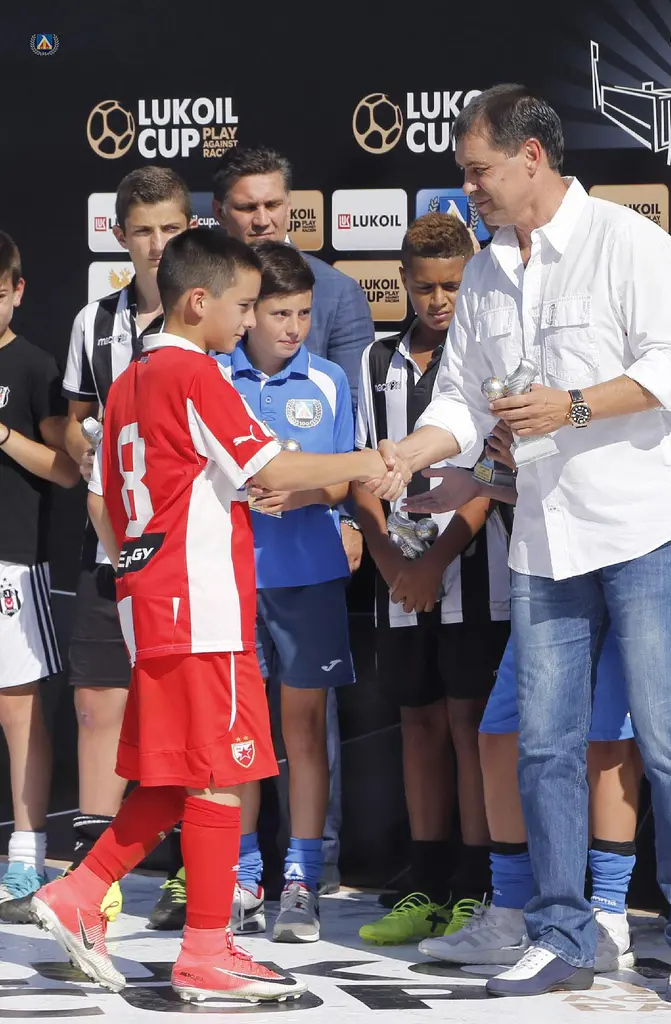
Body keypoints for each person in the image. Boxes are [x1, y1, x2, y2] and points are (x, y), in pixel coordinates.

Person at [364, 84, 671, 1004]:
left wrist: (570, 405)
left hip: (647, 528)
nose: (467, 188)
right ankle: (561, 930)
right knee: (543, 744)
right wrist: (412, 450)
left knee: (668, 734)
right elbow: (461, 399)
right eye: (463, 174)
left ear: (531, 157)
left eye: (478, 170)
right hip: (544, 538)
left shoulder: (628, 242)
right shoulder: (486, 271)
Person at [30, 227, 403, 1003]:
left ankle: (80, 893)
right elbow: (275, 468)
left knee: (184, 776)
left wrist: (143, 565)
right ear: (199, 302)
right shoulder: (197, 375)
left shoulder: (128, 380)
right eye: (243, 305)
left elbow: (106, 501)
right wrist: (371, 459)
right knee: (221, 776)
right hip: (200, 608)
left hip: (152, 603)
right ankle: (205, 951)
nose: (250, 319)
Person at [405, 435, 641, 974]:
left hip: (615, 565)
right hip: (541, 575)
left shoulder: (609, 397)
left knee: (606, 742)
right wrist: (483, 481)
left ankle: (608, 912)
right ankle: (511, 912)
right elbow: (528, 485)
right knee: (499, 737)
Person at [212, 146, 371, 893]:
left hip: (308, 576)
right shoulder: (212, 373)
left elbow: (346, 472)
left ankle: (307, 872)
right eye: (280, 314)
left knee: (305, 728)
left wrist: (306, 493)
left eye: (303, 314)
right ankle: (241, 873)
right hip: (231, 580)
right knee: (238, 733)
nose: (295, 326)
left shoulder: (330, 376)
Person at [353, 214, 510, 945]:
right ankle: (424, 885)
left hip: (478, 578)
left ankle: (476, 887)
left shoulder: (488, 359)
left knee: (470, 728)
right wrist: (394, 564)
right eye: (425, 288)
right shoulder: (374, 361)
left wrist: (436, 562)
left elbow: (493, 476)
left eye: (452, 285)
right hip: (399, 585)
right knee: (416, 723)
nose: (439, 301)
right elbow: (360, 470)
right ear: (403, 283)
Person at [61, 167, 192, 923]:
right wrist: (83, 445)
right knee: (96, 706)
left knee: (189, 716)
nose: (156, 244)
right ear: (119, 236)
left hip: (186, 554)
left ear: (190, 228)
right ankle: (92, 885)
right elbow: (75, 417)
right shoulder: (94, 322)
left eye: (170, 228)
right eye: (143, 230)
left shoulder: (205, 313)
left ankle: (197, 872)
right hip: (108, 543)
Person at [0, 233, 78, 907]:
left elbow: (67, 469)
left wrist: (1, 434)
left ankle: (26, 856)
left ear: (17, 291)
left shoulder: (33, 366)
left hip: (12, 562)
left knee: (17, 709)